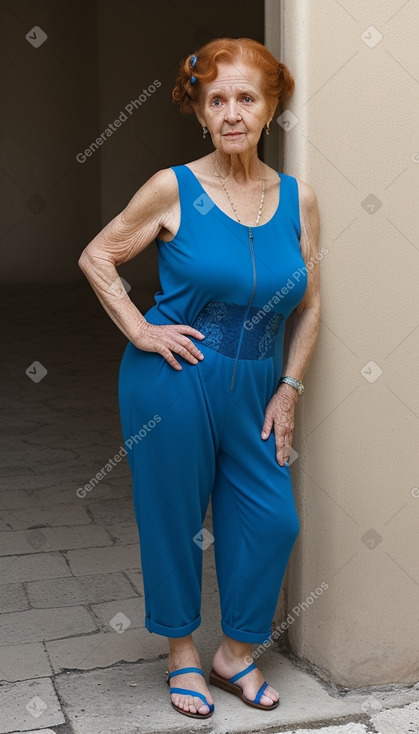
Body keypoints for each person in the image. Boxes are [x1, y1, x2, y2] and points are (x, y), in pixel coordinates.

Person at [78, 36, 321, 720]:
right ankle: (181, 652)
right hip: (174, 381)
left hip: (259, 384)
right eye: (217, 100)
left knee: (272, 520)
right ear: (200, 114)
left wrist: (290, 387)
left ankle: (234, 655)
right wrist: (139, 329)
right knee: (174, 519)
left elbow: (310, 307)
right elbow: (99, 255)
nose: (232, 113)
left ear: (270, 108)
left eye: (246, 98)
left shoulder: (299, 200)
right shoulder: (172, 186)